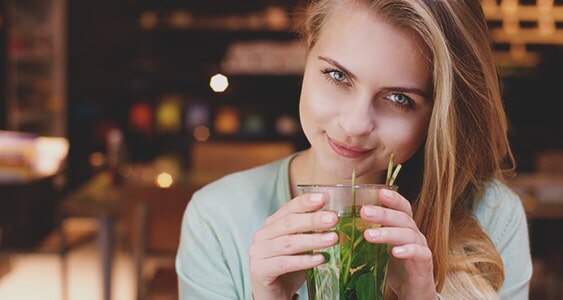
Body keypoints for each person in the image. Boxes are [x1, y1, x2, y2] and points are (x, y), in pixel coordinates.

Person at [176, 0, 533, 299]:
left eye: (399, 99)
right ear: (308, 48)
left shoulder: (492, 219)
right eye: (337, 76)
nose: (355, 124)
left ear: (439, 113)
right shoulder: (218, 221)